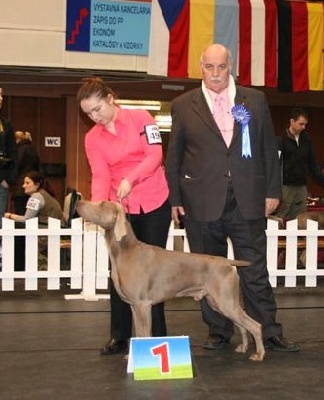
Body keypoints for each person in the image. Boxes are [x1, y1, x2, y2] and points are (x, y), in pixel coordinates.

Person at [165, 43, 299, 352]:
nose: (215, 74)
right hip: (200, 201)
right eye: (209, 67)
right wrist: (175, 199)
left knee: (254, 269)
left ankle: (268, 330)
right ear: (201, 68)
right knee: (206, 272)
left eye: (221, 67)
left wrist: (272, 191)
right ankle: (218, 332)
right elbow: (174, 158)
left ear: (231, 67)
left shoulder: (255, 100)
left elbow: (268, 149)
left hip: (248, 199)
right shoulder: (183, 104)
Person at [77, 77, 171, 355]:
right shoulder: (92, 138)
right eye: (88, 114)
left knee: (153, 274)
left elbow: (155, 155)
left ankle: (157, 338)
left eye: (97, 109)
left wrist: (130, 179)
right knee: (118, 272)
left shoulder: (142, 118)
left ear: (110, 98)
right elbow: (100, 174)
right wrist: (98, 207)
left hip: (154, 202)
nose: (94, 117)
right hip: (120, 212)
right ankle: (120, 336)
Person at [273, 107, 324, 220]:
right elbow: (274, 166)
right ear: (292, 121)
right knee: (279, 218)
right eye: (301, 124)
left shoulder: (307, 139)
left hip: (301, 187)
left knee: (300, 219)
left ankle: (300, 238)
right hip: (285, 187)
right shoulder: (280, 140)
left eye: (305, 124)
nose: (303, 127)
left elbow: (312, 164)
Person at [0, 87, 18, 227]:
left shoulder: (6, 124)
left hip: (2, 179)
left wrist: (8, 179)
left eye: (1, 95)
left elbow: (13, 152)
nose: (1, 99)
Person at [12, 130, 41, 215]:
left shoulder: (20, 149)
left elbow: (16, 165)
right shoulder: (33, 148)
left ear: (17, 140)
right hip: (32, 185)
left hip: (21, 185)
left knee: (20, 212)